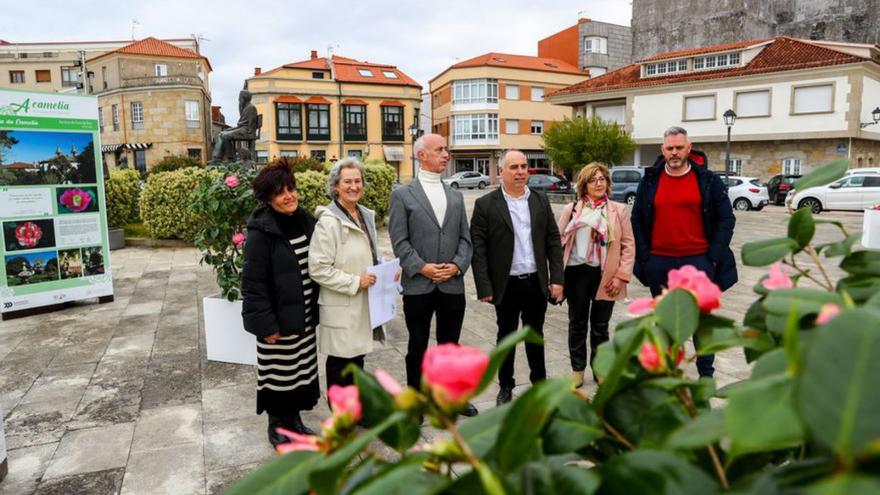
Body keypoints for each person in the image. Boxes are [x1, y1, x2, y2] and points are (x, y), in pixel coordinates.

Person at [631, 126, 737, 378]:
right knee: (666, 324)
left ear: (689, 148)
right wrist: (646, 259)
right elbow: (637, 220)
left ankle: (705, 376)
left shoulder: (708, 180)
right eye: (670, 148)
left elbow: (726, 220)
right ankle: (668, 375)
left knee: (701, 323)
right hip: (660, 263)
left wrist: (712, 257)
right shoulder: (650, 180)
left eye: (679, 148)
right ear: (663, 150)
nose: (675, 153)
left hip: (698, 262)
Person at [389, 134, 477, 416]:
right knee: (417, 346)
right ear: (421, 155)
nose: (446, 154)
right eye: (439, 150)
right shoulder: (402, 195)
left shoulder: (455, 194)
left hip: (452, 285)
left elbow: (466, 238)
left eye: (446, 149)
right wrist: (422, 267)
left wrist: (457, 265)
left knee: (450, 346)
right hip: (418, 285)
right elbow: (399, 241)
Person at [471, 149, 564, 405]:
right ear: (501, 171)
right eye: (514, 167)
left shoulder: (540, 200)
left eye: (524, 166)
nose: (521, 172)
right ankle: (505, 386)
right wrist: (484, 286)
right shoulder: (485, 205)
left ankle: (540, 384)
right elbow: (478, 250)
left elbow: (553, 241)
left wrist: (557, 278)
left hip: (535, 281)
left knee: (536, 335)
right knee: (506, 336)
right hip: (506, 284)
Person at [241, 164, 320, 447]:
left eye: (291, 189)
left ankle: (295, 421)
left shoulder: (305, 221)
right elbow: (253, 284)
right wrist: (265, 325)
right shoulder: (261, 232)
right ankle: (276, 424)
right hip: (277, 321)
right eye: (280, 193)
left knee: (301, 370)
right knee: (278, 374)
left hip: (304, 317)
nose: (288, 196)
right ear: (267, 199)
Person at [556, 163, 635, 387]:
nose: (599, 183)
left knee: (601, 326)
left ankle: (600, 370)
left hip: (606, 274)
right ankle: (577, 370)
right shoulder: (571, 209)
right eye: (593, 180)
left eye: (602, 179)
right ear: (584, 185)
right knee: (577, 323)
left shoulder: (618, 211)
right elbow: (558, 242)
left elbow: (629, 246)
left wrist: (621, 276)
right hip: (576, 272)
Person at [308, 158, 382, 391]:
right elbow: (318, 268)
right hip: (341, 304)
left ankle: (356, 412)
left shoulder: (363, 215)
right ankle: (341, 418)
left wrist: (385, 270)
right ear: (335, 187)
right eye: (347, 181)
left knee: (357, 360)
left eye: (358, 181)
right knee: (341, 362)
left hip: (361, 303)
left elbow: (367, 253)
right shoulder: (328, 223)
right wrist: (355, 282)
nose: (354, 186)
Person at [212, 90, 259, 162]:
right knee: (221, 133)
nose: (239, 100)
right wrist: (240, 106)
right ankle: (220, 157)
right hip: (241, 128)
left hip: (246, 130)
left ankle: (226, 158)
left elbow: (251, 123)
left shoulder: (251, 108)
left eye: (240, 98)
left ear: (244, 98)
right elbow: (242, 120)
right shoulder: (245, 107)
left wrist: (249, 132)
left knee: (225, 136)